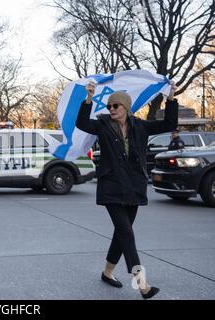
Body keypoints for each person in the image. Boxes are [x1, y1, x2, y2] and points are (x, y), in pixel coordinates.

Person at [76, 81, 178, 299]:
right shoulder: (102, 125)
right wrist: (88, 99)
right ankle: (142, 284)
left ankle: (107, 272)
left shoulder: (140, 126)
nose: (111, 109)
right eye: (110, 106)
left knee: (121, 234)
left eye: (116, 106)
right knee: (126, 232)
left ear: (126, 107)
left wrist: (170, 98)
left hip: (134, 187)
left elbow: (169, 123)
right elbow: (82, 122)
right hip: (111, 187)